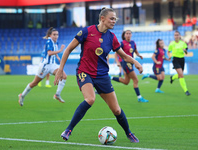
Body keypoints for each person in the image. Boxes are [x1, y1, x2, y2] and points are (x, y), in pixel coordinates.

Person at [54, 8, 143, 143]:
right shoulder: (86, 31)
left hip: (102, 76)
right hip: (84, 72)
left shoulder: (112, 37)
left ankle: (129, 133)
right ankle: (68, 129)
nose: (114, 21)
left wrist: (136, 62)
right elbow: (68, 49)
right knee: (90, 99)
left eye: (115, 19)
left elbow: (123, 56)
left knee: (117, 110)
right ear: (102, 18)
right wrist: (61, 69)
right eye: (111, 18)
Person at [18, 27, 67, 106]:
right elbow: (49, 53)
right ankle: (22, 95)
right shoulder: (49, 42)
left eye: (57, 34)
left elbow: (54, 52)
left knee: (64, 76)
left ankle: (57, 95)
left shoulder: (55, 42)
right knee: (35, 83)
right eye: (54, 34)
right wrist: (60, 51)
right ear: (50, 35)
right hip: (45, 66)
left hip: (52, 65)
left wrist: (57, 57)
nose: (56, 36)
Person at [111, 30, 148, 102]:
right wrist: (118, 62)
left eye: (129, 33)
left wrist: (139, 55)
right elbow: (116, 53)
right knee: (136, 80)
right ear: (124, 35)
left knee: (126, 81)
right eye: (127, 33)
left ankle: (110, 77)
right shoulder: (122, 43)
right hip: (125, 62)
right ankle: (139, 97)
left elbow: (136, 51)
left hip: (130, 62)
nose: (128, 35)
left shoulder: (133, 43)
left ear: (131, 35)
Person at [168, 31, 191, 96]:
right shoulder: (171, 44)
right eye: (175, 35)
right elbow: (168, 51)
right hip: (175, 59)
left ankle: (172, 77)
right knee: (181, 75)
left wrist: (185, 51)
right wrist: (169, 56)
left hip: (182, 60)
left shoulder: (183, 43)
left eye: (177, 35)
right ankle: (186, 90)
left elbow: (186, 52)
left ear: (179, 36)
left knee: (180, 75)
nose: (176, 36)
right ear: (174, 36)